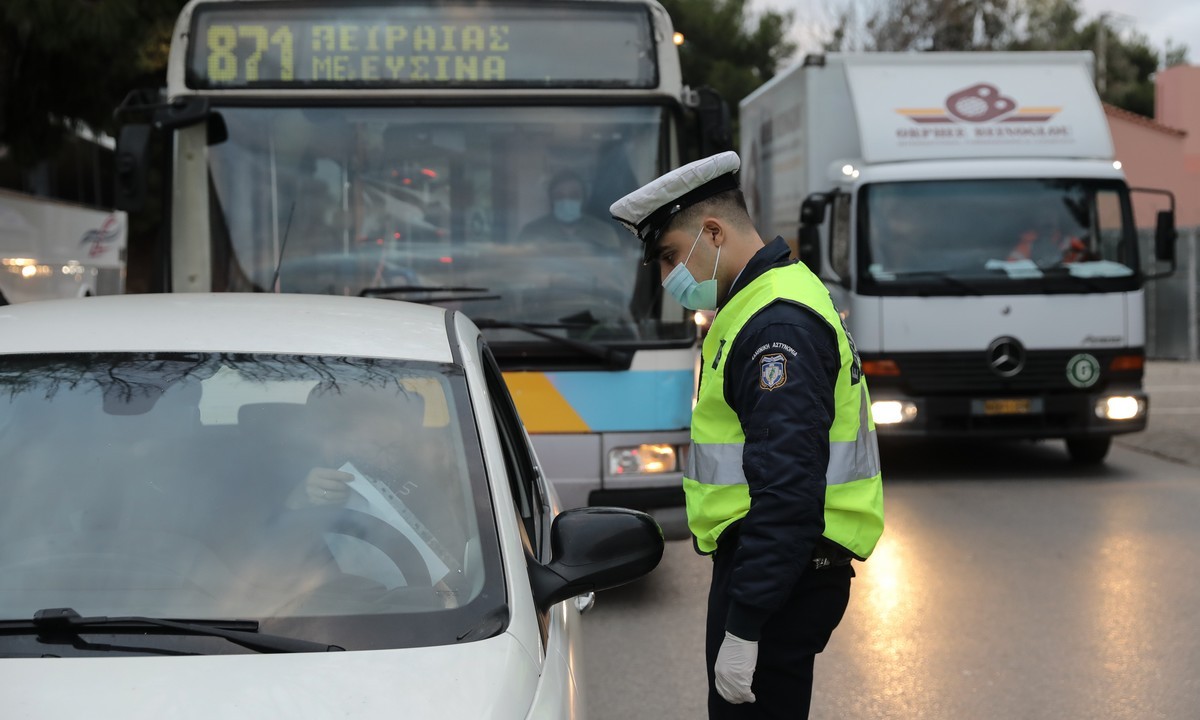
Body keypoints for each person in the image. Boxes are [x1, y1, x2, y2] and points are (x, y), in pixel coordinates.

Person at [609, 151, 885, 719]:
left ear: (713, 232)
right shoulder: (767, 301)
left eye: (669, 255)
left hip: (783, 574)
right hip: (783, 567)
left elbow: (788, 489)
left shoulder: (776, 325)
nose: (666, 277)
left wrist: (746, 624)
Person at [519, 169, 623, 251]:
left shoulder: (604, 233)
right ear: (551, 200)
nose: (566, 201)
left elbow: (615, 268)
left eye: (574, 196)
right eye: (559, 196)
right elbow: (520, 267)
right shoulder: (532, 232)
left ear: (583, 199)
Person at [1008, 202, 1094, 264]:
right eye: (1043, 217)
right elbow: (1013, 269)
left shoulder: (1071, 243)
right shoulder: (1026, 245)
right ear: (1036, 222)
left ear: (1058, 220)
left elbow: (1088, 263)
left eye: (1051, 216)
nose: (1047, 221)